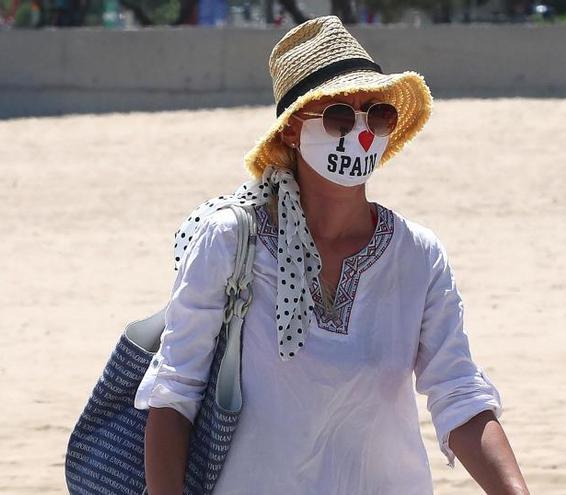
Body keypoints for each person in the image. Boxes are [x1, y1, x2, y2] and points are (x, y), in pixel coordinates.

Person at [133, 14, 530, 495]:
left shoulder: (417, 254)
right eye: (340, 114)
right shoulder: (230, 241)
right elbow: (174, 394)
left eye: (378, 113)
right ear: (292, 131)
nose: (361, 131)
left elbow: (458, 393)